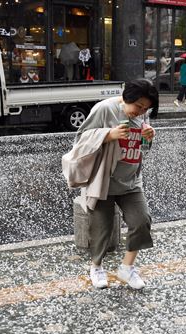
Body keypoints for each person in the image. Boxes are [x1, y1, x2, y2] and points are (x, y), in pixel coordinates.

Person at [67, 79, 159, 290]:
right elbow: (80, 139)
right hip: (103, 180)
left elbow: (142, 150)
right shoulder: (104, 109)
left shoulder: (140, 114)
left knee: (141, 221)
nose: (141, 112)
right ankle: (96, 267)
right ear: (128, 98)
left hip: (131, 181)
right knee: (101, 227)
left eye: (146, 109)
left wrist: (148, 138)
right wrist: (109, 135)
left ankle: (127, 268)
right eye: (138, 106)